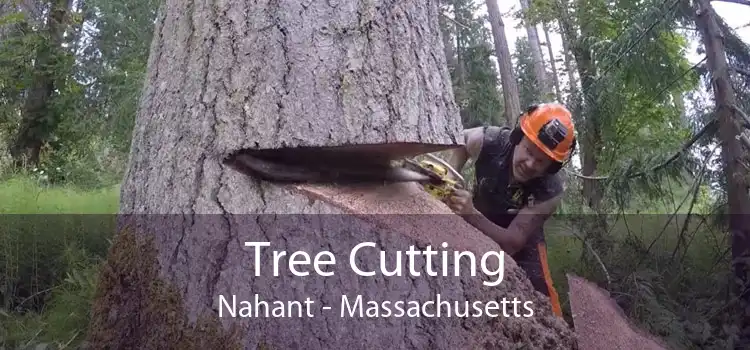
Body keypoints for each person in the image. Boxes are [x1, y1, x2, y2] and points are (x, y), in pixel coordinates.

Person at [444, 103, 577, 318]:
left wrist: (470, 214)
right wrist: (450, 177)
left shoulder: (550, 191)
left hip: (522, 239)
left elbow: (513, 243)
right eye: (528, 151)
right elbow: (461, 140)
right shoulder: (491, 140)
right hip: (479, 218)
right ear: (517, 137)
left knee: (543, 299)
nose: (530, 164)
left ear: (552, 167)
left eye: (541, 161)